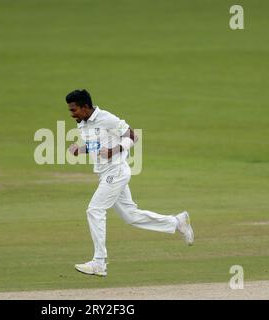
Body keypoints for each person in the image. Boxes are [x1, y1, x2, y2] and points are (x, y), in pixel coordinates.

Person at [67, 89, 194, 276]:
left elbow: (133, 136)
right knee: (130, 216)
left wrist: (114, 150)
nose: (72, 114)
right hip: (105, 173)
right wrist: (81, 150)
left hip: (116, 170)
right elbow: (99, 143)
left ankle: (99, 263)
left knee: (95, 210)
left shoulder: (106, 118)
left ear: (85, 107)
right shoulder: (83, 123)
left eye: (74, 110)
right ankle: (177, 222)